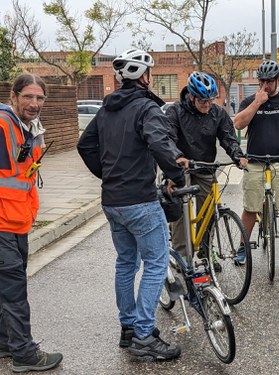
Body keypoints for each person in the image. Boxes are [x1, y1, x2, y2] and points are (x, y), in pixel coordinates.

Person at [77, 49, 184, 360]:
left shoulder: (106, 109)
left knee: (126, 263)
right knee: (154, 264)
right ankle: (143, 334)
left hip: (112, 201)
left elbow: (85, 145)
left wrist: (107, 174)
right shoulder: (146, 108)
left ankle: (128, 328)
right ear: (145, 77)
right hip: (139, 200)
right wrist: (175, 174)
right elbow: (159, 143)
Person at [0, 74, 63, 372]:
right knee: (14, 292)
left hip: (17, 223)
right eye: (28, 96)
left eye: (39, 98)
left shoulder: (29, 129)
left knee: (7, 290)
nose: (34, 103)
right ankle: (24, 355)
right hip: (2, 225)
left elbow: (25, 178)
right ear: (13, 96)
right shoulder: (2, 125)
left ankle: (5, 343)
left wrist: (30, 214)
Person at [165, 71, 247, 261]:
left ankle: (206, 252)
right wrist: (177, 157)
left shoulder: (217, 113)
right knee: (181, 212)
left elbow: (228, 137)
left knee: (210, 210)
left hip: (204, 166)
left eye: (211, 100)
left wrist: (238, 156)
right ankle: (182, 257)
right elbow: (167, 138)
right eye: (203, 101)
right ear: (191, 96)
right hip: (181, 167)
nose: (208, 105)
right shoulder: (175, 111)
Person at [234, 60, 279, 264]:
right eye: (263, 80)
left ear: (278, 80)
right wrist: (257, 102)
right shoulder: (250, 100)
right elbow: (238, 124)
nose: (267, 84)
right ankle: (243, 247)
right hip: (255, 161)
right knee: (250, 207)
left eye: (271, 80)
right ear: (258, 81)